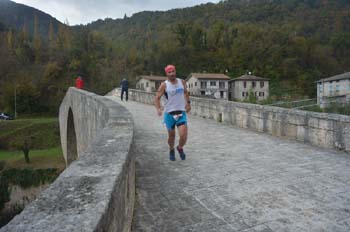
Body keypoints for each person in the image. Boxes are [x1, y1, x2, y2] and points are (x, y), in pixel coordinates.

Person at [154, 65, 191, 161]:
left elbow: (186, 92)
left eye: (173, 71)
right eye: (169, 72)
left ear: (175, 71)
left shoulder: (182, 82)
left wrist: (188, 103)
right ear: (166, 74)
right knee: (171, 136)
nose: (172, 73)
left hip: (181, 113)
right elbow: (157, 98)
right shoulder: (164, 85)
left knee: (183, 135)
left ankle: (180, 147)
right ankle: (171, 149)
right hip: (169, 114)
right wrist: (158, 108)